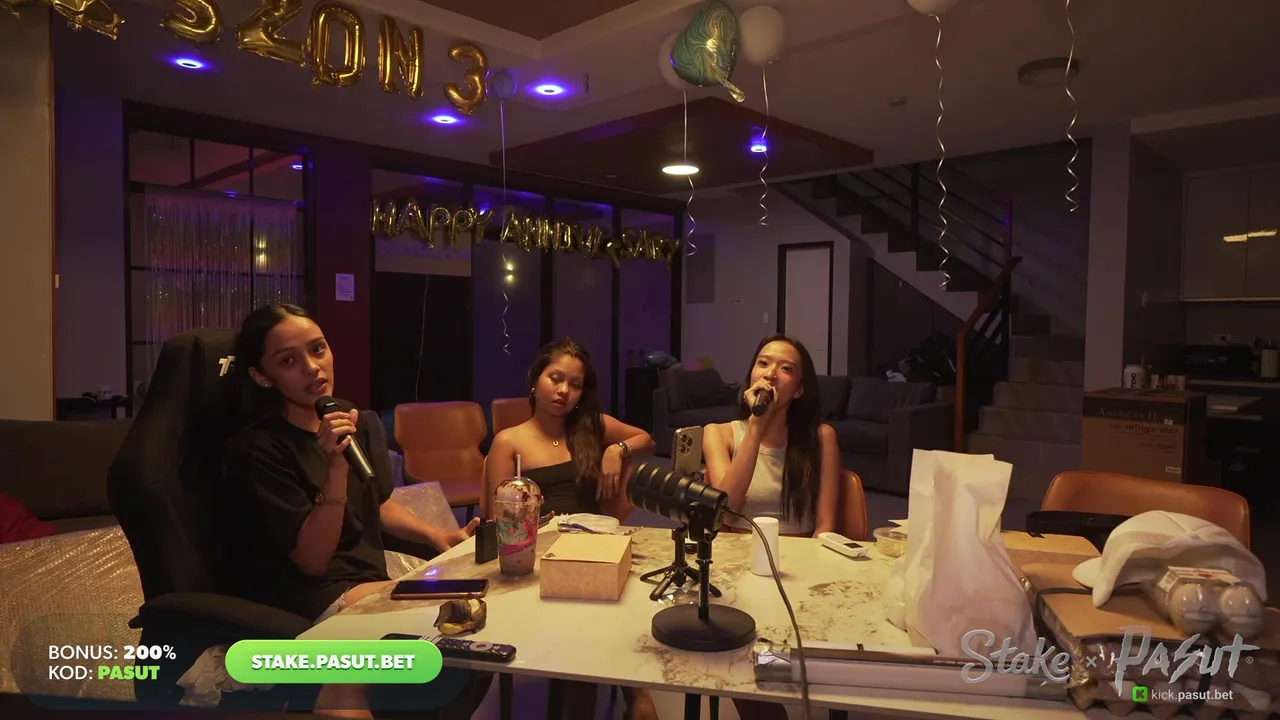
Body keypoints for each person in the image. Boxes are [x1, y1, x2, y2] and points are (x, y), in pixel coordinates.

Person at [224, 303, 483, 719]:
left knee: (473, 620)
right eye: (288, 361)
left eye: (318, 349)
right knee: (441, 620)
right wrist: (335, 470)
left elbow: (377, 501)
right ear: (262, 376)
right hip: (307, 594)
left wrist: (439, 535)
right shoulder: (259, 449)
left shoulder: (350, 419)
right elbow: (311, 561)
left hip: (366, 581)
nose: (312, 367)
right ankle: (338, 691)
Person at [484, 338, 659, 720]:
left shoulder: (591, 428)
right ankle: (632, 693)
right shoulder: (509, 441)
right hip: (538, 559)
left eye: (575, 384)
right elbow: (496, 521)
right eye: (555, 378)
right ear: (535, 380)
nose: (563, 390)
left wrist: (616, 450)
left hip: (596, 548)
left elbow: (646, 439)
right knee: (588, 624)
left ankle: (632, 693)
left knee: (628, 596)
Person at [702, 334, 841, 720]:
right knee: (746, 656)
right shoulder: (719, 432)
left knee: (788, 654)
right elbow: (726, 510)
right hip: (738, 563)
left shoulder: (821, 438)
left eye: (786, 368)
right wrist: (756, 428)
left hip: (798, 566)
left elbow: (826, 526)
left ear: (799, 389)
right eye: (763, 363)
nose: (771, 373)